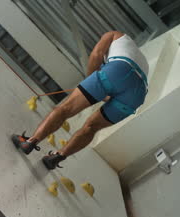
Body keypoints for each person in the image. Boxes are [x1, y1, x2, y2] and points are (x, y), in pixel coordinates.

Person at [12, 31, 149, 170]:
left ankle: (29, 142)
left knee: (65, 109)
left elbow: (96, 55)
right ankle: (56, 157)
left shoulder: (114, 34)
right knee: (92, 127)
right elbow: (128, 83)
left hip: (119, 70)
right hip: (138, 94)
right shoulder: (139, 57)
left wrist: (89, 81)